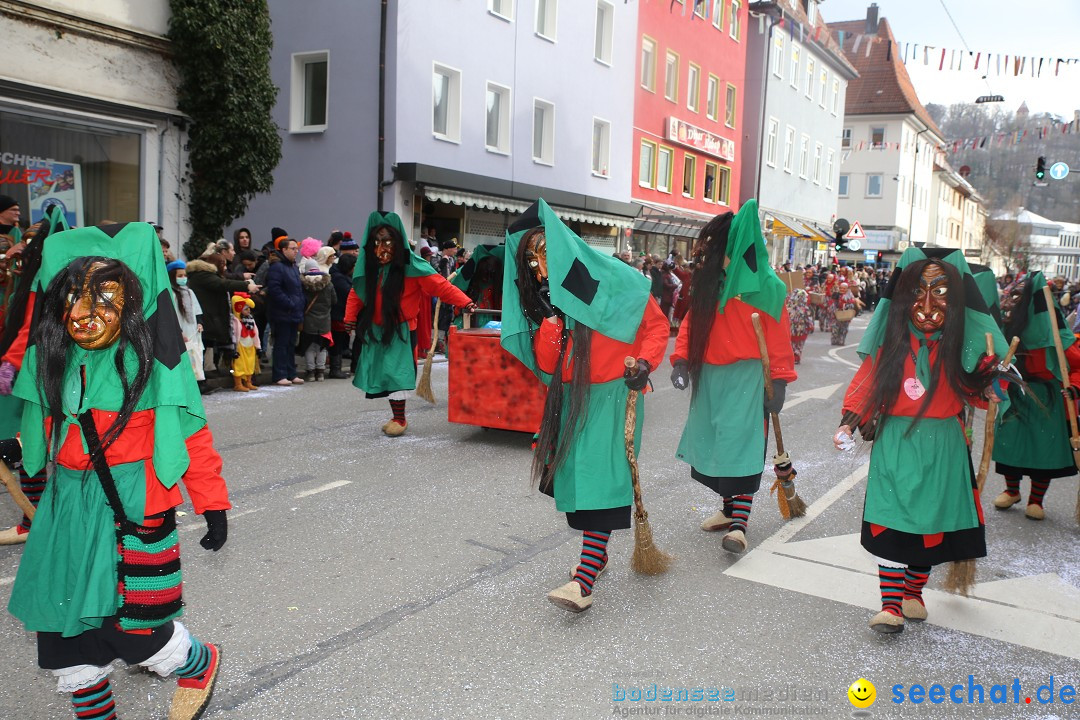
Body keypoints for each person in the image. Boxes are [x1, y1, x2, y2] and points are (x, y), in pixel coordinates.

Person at [5, 221, 229, 719]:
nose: (85, 315)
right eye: (74, 299)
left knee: (135, 627)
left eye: (105, 299)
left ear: (131, 303)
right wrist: (18, 444)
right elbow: (36, 421)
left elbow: (192, 438)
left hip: (132, 503)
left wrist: (211, 503)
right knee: (64, 631)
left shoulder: (154, 364)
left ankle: (197, 660)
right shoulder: (49, 357)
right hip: (67, 507)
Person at [500, 199, 668, 613]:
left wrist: (645, 363)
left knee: (601, 482)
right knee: (579, 482)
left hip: (614, 396)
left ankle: (584, 579)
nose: (540, 268)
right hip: (573, 400)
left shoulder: (616, 279)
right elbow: (546, 362)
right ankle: (600, 552)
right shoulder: (546, 302)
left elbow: (655, 325)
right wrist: (552, 322)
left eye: (544, 255)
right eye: (531, 261)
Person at [833, 247, 1005, 634]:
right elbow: (867, 384)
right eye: (917, 292)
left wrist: (991, 387)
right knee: (892, 523)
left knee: (930, 524)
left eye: (941, 292)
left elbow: (978, 392)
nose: (927, 305)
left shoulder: (962, 345)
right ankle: (890, 606)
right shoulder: (891, 342)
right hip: (896, 441)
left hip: (944, 442)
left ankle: (914, 592)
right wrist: (848, 423)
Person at [669, 201, 796, 555]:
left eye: (713, 248)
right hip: (710, 375)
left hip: (747, 378)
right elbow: (693, 323)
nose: (706, 255)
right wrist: (680, 361)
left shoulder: (767, 287)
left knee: (742, 447)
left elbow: (779, 339)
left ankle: (739, 525)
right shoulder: (712, 283)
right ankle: (728, 511)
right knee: (716, 443)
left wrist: (781, 381)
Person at [343, 212, 475, 436]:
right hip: (376, 328)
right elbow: (357, 291)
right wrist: (349, 317)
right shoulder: (370, 268)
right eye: (377, 241)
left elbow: (441, 286)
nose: (382, 247)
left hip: (402, 330)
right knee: (383, 372)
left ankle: (399, 419)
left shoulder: (413, 267)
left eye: (387, 241)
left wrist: (466, 302)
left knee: (397, 374)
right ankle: (397, 416)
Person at [0, 206, 68, 544]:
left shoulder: (47, 277)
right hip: (49, 370)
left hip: (40, 372)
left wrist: (11, 362)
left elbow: (32, 327)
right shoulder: (49, 274)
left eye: (32, 241)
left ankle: (35, 518)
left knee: (31, 444)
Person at [991, 272, 1080, 520]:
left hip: (1048, 397)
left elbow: (1077, 365)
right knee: (1011, 443)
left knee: (1044, 450)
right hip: (1016, 393)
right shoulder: (1008, 329)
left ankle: (1036, 501)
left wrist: (1074, 387)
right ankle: (1012, 491)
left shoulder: (1056, 334)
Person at [184, 253, 257, 380]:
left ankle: (207, 373)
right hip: (206, 317)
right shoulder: (204, 275)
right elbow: (224, 284)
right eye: (221, 263)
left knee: (207, 346)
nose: (224, 267)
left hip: (209, 316)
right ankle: (200, 380)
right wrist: (246, 285)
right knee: (202, 348)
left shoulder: (205, 275)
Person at [265, 236, 306, 385]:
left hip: (294, 312)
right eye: (293, 248)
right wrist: (290, 304)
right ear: (284, 249)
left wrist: (300, 304)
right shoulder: (277, 267)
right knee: (281, 344)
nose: (296, 251)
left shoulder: (293, 267)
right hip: (282, 312)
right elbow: (274, 289)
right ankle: (280, 374)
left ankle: (291, 373)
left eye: (297, 249)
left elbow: (298, 289)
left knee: (290, 344)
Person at [167, 259, 206, 385]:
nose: (183, 278)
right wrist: (178, 332)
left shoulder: (189, 292)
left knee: (195, 358)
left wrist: (200, 323)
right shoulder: (171, 293)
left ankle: (194, 383)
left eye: (184, 275)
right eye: (180, 276)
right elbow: (171, 315)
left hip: (192, 331)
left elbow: (197, 310)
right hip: (180, 332)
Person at [299, 258, 335, 381]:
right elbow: (334, 300)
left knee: (309, 347)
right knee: (322, 347)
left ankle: (310, 372)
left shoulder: (303, 284)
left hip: (308, 320)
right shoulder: (328, 283)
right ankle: (320, 372)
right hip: (325, 320)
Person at [329, 253, 357, 378]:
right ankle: (335, 370)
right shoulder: (339, 279)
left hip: (340, 314)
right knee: (337, 342)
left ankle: (336, 368)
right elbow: (349, 293)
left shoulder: (341, 276)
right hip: (337, 315)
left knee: (339, 342)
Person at [230, 293, 260, 391]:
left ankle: (248, 382)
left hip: (250, 345)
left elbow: (255, 333)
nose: (248, 311)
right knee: (239, 365)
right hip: (240, 346)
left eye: (249, 309)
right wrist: (234, 349)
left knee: (250, 364)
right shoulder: (235, 321)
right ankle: (238, 384)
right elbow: (233, 335)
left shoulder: (251, 320)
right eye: (246, 309)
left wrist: (258, 346)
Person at [786, 287, 814, 364]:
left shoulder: (789, 308)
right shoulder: (804, 308)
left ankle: (795, 356)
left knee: (793, 344)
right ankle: (796, 356)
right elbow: (809, 319)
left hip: (796, 330)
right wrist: (810, 326)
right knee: (798, 344)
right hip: (799, 330)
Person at [830, 281, 861, 346]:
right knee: (835, 328)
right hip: (836, 315)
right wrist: (835, 310)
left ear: (847, 289)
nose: (842, 290)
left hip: (845, 315)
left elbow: (852, 306)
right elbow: (833, 304)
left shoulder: (850, 296)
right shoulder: (836, 295)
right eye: (841, 288)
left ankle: (841, 340)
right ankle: (834, 340)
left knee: (844, 329)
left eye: (844, 288)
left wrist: (845, 306)